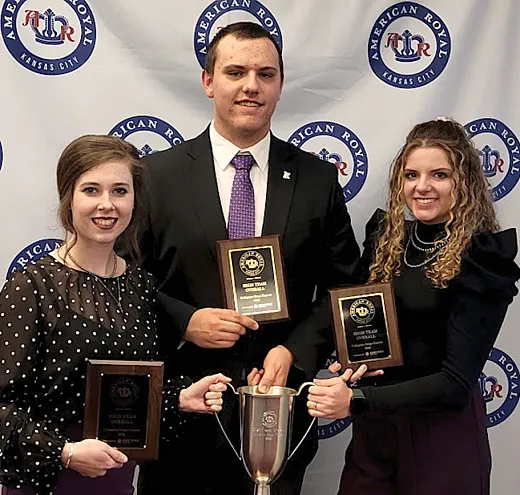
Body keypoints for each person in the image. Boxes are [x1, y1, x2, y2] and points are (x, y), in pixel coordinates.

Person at [135, 21, 360, 495]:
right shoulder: (156, 176)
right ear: (208, 81)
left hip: (278, 415)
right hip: (184, 412)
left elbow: (345, 289)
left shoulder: (317, 179)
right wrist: (184, 321)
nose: (251, 86)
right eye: (235, 71)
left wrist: (295, 352)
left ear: (280, 85)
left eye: (266, 73)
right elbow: (124, 282)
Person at [0, 135, 230, 495]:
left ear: (134, 200)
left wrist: (181, 398)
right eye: (91, 190)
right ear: (68, 197)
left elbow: (129, 393)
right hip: (49, 483)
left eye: (119, 191)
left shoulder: (141, 286)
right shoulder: (32, 287)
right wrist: (66, 452)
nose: (106, 205)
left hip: (118, 481)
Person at [306, 118, 520, 495]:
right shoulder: (387, 239)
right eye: (411, 175)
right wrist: (350, 355)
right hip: (375, 434)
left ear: (464, 182)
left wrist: (356, 400)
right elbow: (362, 319)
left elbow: (455, 384)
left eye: (439, 175)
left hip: (442, 439)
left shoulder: (482, 256)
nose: (422, 187)